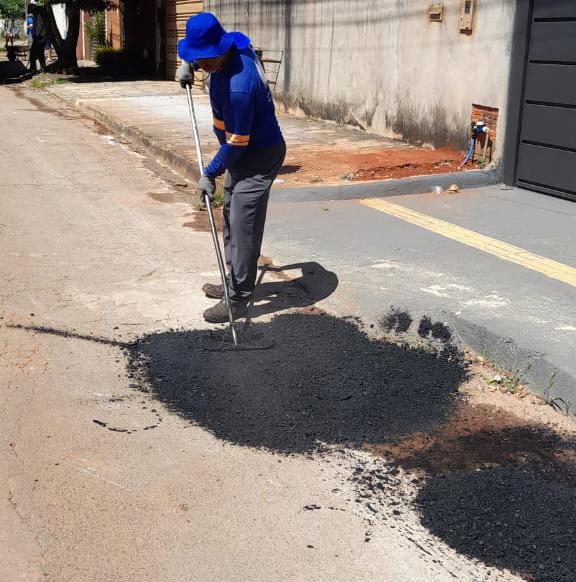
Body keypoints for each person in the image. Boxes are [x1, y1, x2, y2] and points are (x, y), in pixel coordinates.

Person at [177, 12, 286, 324]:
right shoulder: (233, 46)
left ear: (220, 50)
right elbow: (226, 42)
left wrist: (210, 172)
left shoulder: (240, 85)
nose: (202, 65)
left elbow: (237, 143)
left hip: (259, 154)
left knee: (242, 222)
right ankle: (233, 281)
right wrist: (188, 64)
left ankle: (238, 299)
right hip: (240, 151)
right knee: (230, 214)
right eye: (197, 58)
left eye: (205, 59)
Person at [28, 3, 48, 73]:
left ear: (33, 9)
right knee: (36, 53)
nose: (31, 13)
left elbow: (39, 26)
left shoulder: (39, 14)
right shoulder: (36, 14)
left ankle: (39, 68)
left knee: (36, 53)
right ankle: (37, 68)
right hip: (39, 37)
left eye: (31, 11)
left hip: (40, 37)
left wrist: (36, 36)